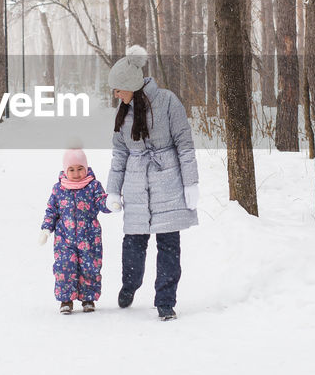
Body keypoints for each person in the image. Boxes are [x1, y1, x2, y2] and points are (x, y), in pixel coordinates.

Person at [105, 46, 198, 321]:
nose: (115, 94)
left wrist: (191, 183)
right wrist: (113, 189)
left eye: (118, 89)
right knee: (133, 244)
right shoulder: (123, 112)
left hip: (167, 182)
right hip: (135, 185)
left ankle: (165, 301)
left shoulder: (168, 102)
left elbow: (184, 143)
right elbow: (120, 152)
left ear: (131, 85)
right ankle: (130, 284)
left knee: (169, 245)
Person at [37, 147, 111, 314]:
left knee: (90, 267)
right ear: (65, 170)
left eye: (80, 169)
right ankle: (66, 300)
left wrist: (111, 203)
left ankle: (88, 298)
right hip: (64, 238)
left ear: (86, 168)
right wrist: (46, 229)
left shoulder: (93, 186)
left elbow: (102, 202)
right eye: (71, 169)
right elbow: (52, 211)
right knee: (64, 267)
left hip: (90, 237)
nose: (76, 173)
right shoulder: (58, 189)